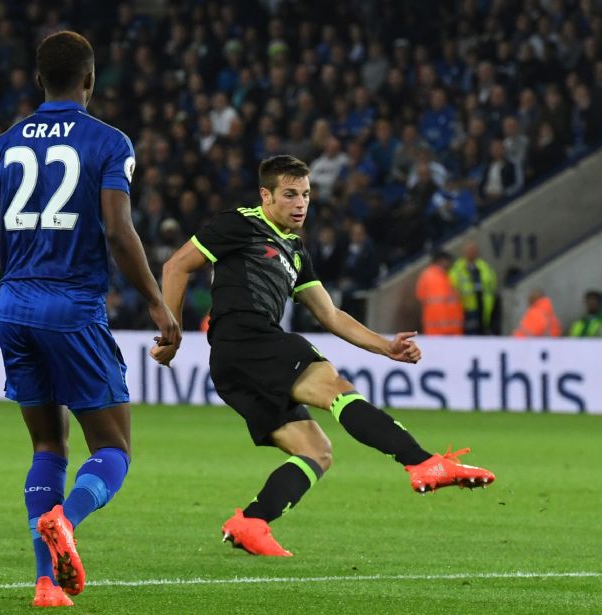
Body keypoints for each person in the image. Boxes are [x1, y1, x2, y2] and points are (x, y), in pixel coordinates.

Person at [153, 155, 494, 556]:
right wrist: (171, 331)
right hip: (248, 339)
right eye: (290, 194)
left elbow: (330, 314)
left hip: (235, 366)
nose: (301, 204)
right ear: (266, 195)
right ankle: (421, 461)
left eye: (307, 195)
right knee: (335, 386)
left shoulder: (296, 251)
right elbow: (176, 266)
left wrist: (386, 346)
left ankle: (252, 521)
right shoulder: (239, 223)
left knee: (316, 451)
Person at [0, 32, 180, 607]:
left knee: (47, 447)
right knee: (114, 447)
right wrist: (157, 302)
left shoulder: (3, 145)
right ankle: (68, 521)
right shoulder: (108, 141)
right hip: (73, 306)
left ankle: (47, 584)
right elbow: (119, 230)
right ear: (90, 80)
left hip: (16, 308)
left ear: (38, 81)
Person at [449, 240, 498, 335]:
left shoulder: (484, 267)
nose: (472, 252)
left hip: (484, 308)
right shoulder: (457, 269)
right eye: (469, 250)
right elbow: (452, 288)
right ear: (464, 252)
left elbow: (491, 284)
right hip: (466, 309)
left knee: (482, 334)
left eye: (474, 250)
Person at [415, 250, 463, 335]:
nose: (449, 263)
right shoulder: (431, 275)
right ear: (441, 261)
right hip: (439, 328)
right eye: (447, 261)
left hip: (446, 327)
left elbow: (420, 297)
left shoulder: (447, 275)